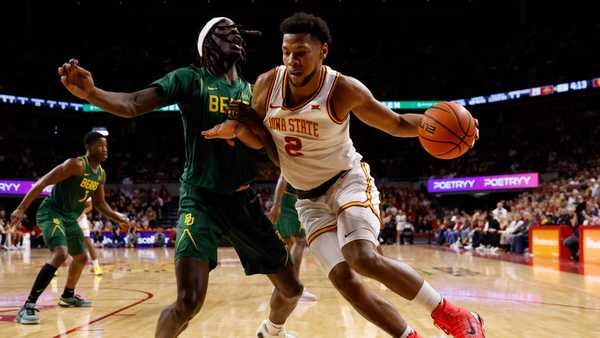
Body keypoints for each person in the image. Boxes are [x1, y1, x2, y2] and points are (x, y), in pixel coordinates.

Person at [209, 12, 484, 338]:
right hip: (307, 199)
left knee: (361, 256)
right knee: (343, 280)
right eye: (286, 52)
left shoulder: (341, 89)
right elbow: (267, 145)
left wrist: (438, 124)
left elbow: (394, 123)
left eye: (301, 53)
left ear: (323, 51)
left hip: (346, 182)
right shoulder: (268, 85)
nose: (292, 60)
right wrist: (245, 125)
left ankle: (455, 315)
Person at [58, 17, 302, 338]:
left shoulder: (252, 91)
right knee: (188, 302)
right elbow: (133, 104)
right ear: (207, 46)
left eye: (236, 32)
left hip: (244, 202)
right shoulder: (191, 79)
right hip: (200, 199)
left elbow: (271, 148)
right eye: (224, 32)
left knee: (292, 289)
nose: (234, 35)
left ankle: (271, 330)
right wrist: (93, 93)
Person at [11, 131, 131, 324]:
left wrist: (118, 217)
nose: (105, 149)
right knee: (60, 253)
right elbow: (42, 182)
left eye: (107, 146)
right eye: (101, 145)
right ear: (89, 147)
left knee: (81, 258)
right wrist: (20, 209)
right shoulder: (75, 165)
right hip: (51, 212)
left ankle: (68, 296)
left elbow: (100, 204)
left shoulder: (100, 174)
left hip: (70, 217)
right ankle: (28, 306)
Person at [267, 174, 317, 301]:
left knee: (288, 243)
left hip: (288, 199)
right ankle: (293, 284)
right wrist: (276, 205)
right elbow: (282, 178)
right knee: (299, 241)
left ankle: (282, 285)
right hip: (289, 199)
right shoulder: (296, 157)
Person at [78, 198, 103, 275]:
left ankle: (96, 266)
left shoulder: (85, 189)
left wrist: (82, 212)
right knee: (61, 242)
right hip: (66, 218)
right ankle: (54, 269)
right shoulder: (63, 189)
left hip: (80, 218)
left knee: (88, 242)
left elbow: (90, 206)